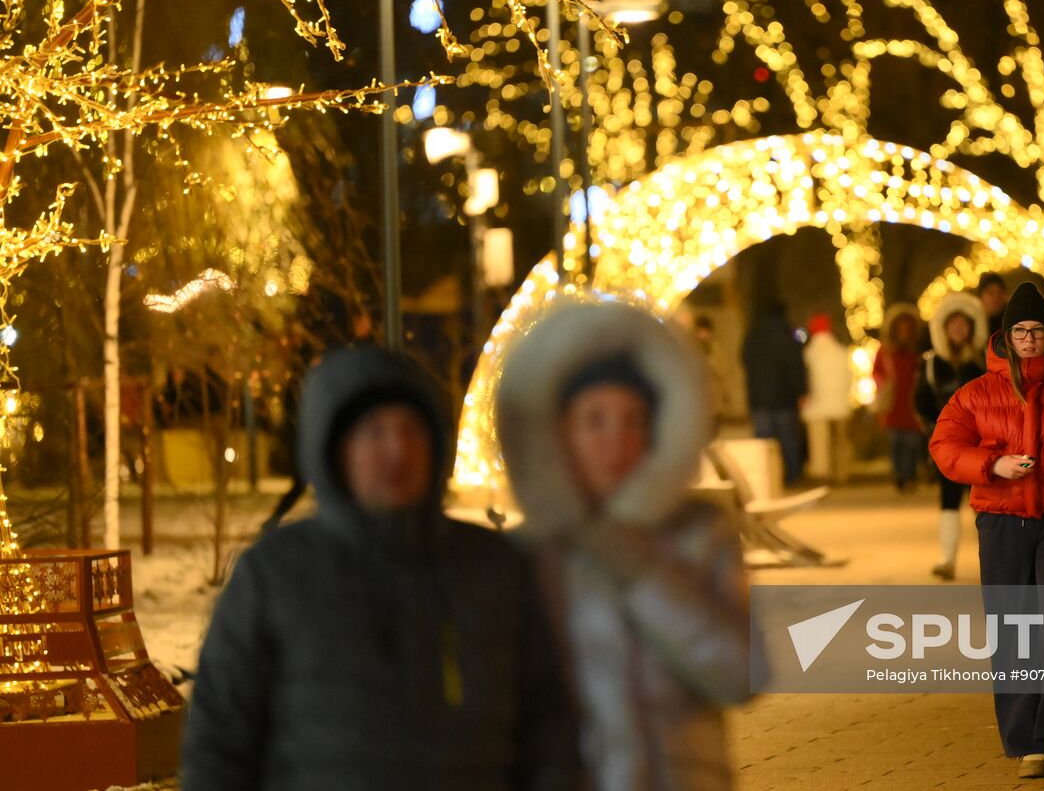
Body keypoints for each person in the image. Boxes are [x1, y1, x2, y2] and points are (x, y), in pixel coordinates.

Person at [183, 346, 578, 791]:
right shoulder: (275, 577)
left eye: (411, 430)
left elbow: (549, 733)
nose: (397, 450)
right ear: (336, 448)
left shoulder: (494, 569)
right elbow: (218, 747)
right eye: (374, 431)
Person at [496, 300, 756, 791]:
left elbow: (739, 675)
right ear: (559, 432)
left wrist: (641, 567)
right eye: (594, 420)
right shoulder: (528, 556)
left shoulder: (700, 533)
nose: (617, 442)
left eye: (634, 419)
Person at [931, 282, 1044, 779]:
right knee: (1014, 629)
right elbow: (944, 446)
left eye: (1037, 331)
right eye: (1020, 331)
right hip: (1002, 523)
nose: (1029, 340)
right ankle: (1030, 741)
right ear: (1005, 337)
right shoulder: (976, 393)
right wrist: (991, 464)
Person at [913, 292, 987, 579]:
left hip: (981, 443)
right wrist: (937, 429)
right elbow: (921, 401)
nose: (959, 329)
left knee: (984, 501)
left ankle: (990, 560)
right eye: (953, 324)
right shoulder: (932, 363)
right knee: (948, 499)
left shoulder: (982, 361)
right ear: (944, 328)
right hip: (948, 446)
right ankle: (947, 559)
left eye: (963, 324)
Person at [742, 302, 808, 486]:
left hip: (759, 399)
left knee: (763, 443)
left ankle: (766, 480)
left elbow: (746, 364)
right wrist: (801, 391)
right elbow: (796, 369)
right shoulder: (788, 339)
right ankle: (792, 476)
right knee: (787, 439)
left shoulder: (753, 339)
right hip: (784, 399)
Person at [874, 303, 926, 493]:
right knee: (896, 442)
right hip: (893, 404)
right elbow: (877, 372)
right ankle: (900, 477)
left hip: (911, 403)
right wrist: (882, 384)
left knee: (911, 443)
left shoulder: (917, 351)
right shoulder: (886, 350)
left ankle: (910, 476)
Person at [802, 312, 854, 483]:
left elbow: (806, 379)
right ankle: (842, 473)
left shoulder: (809, 353)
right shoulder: (840, 351)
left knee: (819, 441)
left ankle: (822, 473)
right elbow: (849, 376)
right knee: (840, 441)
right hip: (840, 403)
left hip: (816, 404)